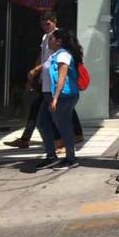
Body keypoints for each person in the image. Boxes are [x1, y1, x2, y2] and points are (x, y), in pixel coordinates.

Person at [7, 12, 83, 150]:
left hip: (54, 80)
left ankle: (64, 141)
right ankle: (73, 135)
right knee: (52, 109)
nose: (45, 26)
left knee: (50, 110)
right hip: (46, 78)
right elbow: (43, 57)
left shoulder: (58, 38)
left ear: (54, 21)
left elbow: (55, 59)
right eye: (42, 23)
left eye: (47, 23)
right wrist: (36, 72)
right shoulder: (45, 38)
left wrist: (37, 70)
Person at [32, 28, 84, 170]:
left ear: (58, 41)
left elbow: (62, 77)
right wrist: (36, 70)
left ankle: (71, 159)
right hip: (49, 95)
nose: (49, 41)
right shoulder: (54, 55)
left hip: (61, 96)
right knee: (42, 123)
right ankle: (51, 156)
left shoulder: (63, 56)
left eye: (51, 39)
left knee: (63, 125)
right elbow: (47, 68)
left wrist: (55, 98)